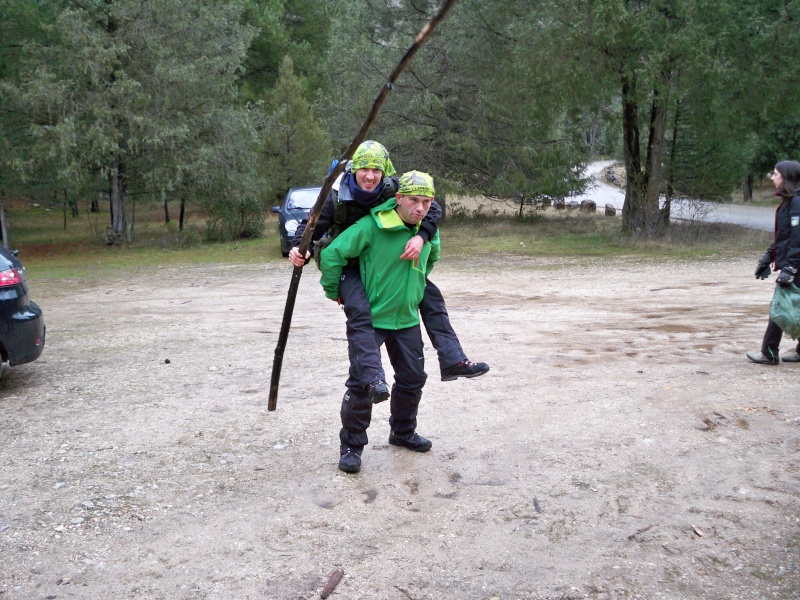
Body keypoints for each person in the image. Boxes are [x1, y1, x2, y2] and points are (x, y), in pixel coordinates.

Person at [288, 141, 488, 403]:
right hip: (351, 262)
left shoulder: (392, 187)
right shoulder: (334, 195)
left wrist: (422, 237)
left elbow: (431, 207)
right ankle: (372, 379)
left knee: (431, 296)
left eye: (377, 170)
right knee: (360, 311)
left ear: (385, 172)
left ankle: (453, 359)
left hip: (383, 259)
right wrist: (299, 249)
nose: (371, 176)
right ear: (354, 169)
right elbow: (311, 226)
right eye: (365, 169)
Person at [319, 171, 440, 473]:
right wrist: (336, 291)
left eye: (426, 202)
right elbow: (332, 254)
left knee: (413, 379)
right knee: (363, 384)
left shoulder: (426, 232)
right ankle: (351, 446)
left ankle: (402, 432)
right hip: (372, 319)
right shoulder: (371, 226)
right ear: (398, 198)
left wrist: (413, 290)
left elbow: (432, 258)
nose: (420, 208)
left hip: (407, 320)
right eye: (414, 200)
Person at [747, 159, 800, 365]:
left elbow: (798, 239)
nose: (772, 177)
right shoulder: (790, 201)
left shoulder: (796, 203)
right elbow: (783, 237)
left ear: (785, 177)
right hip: (795, 265)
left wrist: (790, 268)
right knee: (792, 305)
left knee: (779, 307)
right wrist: (767, 258)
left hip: (796, 266)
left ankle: (769, 353)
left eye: (775, 174)